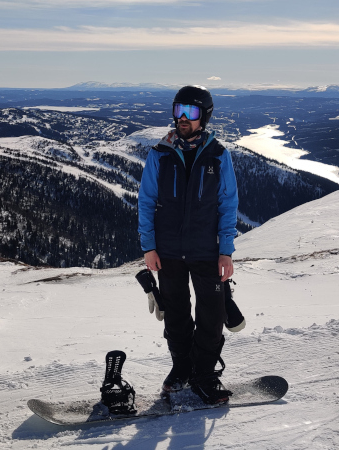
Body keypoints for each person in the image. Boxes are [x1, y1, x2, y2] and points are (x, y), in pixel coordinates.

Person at [137, 85, 239, 405]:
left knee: (211, 314)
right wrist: (149, 247)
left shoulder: (218, 155)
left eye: (191, 112)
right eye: (178, 109)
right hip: (168, 251)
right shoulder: (160, 154)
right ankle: (181, 367)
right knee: (176, 314)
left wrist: (226, 251)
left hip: (207, 251)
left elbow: (227, 204)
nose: (183, 117)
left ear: (204, 117)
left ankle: (204, 374)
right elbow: (146, 202)